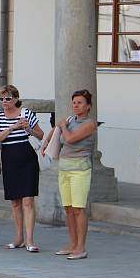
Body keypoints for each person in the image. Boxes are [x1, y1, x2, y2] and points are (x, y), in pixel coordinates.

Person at [45, 89, 97, 261]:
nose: (76, 105)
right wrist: (47, 140)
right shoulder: (69, 120)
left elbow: (71, 139)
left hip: (80, 170)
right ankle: (72, 244)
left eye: (80, 102)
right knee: (68, 208)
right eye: (74, 102)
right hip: (64, 168)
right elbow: (56, 135)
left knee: (78, 209)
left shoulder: (89, 124)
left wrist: (62, 126)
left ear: (88, 106)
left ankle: (81, 247)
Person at [0, 85, 44, 252]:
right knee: (15, 202)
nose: (4, 102)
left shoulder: (26, 113)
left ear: (15, 98)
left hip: (27, 157)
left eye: (7, 98)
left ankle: (30, 240)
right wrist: (12, 127)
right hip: (9, 158)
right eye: (1, 99)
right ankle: (18, 237)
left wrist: (28, 128)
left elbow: (41, 135)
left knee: (28, 200)